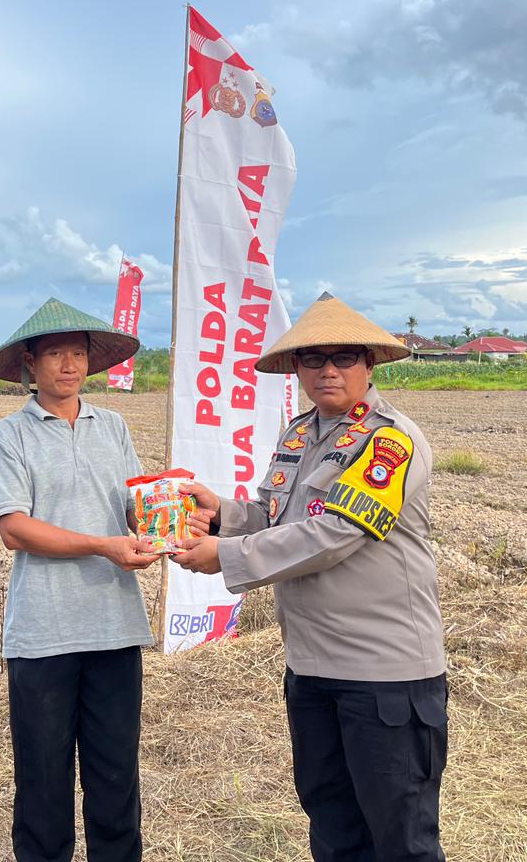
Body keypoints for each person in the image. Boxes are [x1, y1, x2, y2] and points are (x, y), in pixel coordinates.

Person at [174, 292, 448, 862]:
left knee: (401, 841)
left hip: (383, 674)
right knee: (332, 828)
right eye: (313, 358)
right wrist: (222, 513)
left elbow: (336, 534)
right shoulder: (300, 434)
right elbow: (280, 519)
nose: (328, 370)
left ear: (369, 364)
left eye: (344, 357)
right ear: (296, 369)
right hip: (311, 668)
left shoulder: (389, 441)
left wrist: (226, 555)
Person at [0, 297, 160, 862]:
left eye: (78, 353)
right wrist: (103, 546)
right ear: (30, 364)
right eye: (55, 353)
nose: (69, 365)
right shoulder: (9, 435)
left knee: (116, 777)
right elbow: (15, 529)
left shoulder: (114, 427)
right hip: (44, 633)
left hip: (114, 626)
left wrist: (165, 527)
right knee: (42, 781)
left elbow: (133, 508)